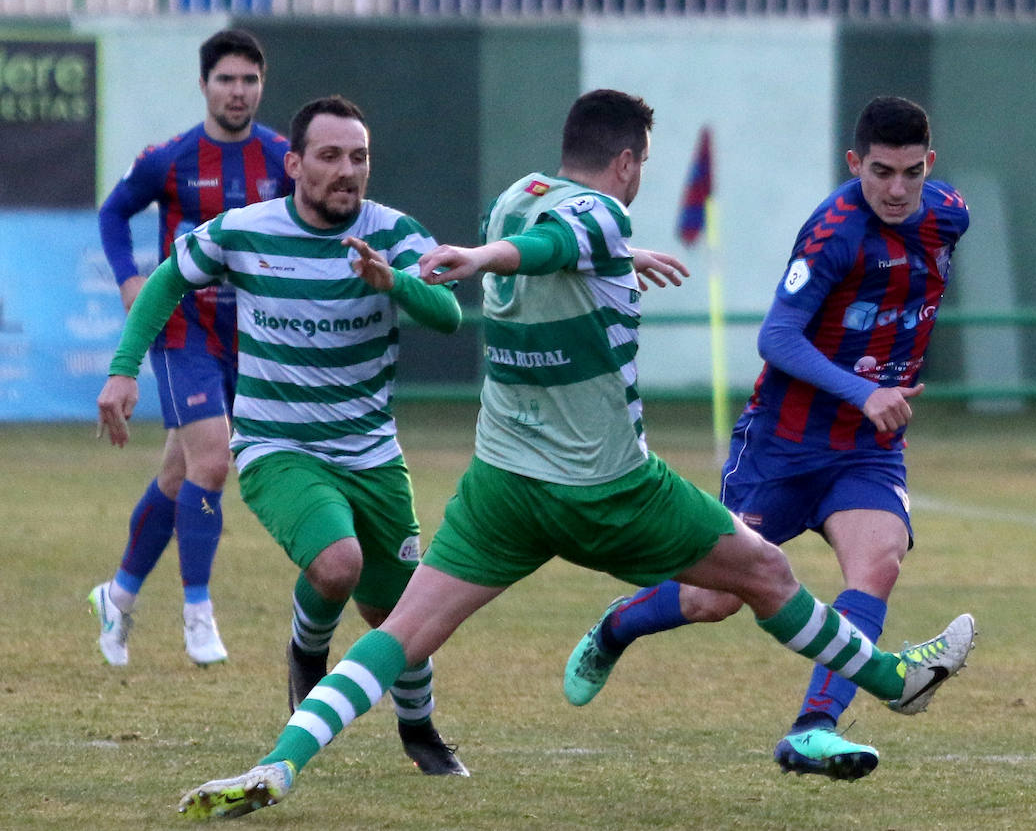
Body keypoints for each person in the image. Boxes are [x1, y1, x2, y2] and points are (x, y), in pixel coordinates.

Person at [169, 88, 975, 821]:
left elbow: (557, 240)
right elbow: (562, 243)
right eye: (640, 169)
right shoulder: (597, 218)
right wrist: (490, 263)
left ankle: (279, 763)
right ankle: (895, 683)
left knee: (401, 633)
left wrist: (597, 257)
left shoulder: (512, 199)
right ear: (625, 162)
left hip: (502, 490)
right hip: (611, 489)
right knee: (766, 575)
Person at [561, 96, 972, 781]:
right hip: (781, 445)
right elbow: (776, 337)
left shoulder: (950, 214)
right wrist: (866, 388)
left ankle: (812, 728)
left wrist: (885, 375)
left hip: (865, 447)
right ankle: (616, 626)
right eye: (880, 172)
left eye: (910, 173)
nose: (896, 189)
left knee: (877, 564)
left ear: (929, 164)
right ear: (854, 164)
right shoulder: (833, 232)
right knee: (715, 597)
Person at [97, 95, 468, 777]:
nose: (346, 170)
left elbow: (448, 312)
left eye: (358, 157)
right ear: (295, 163)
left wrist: (394, 284)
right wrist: (124, 371)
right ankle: (306, 650)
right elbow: (166, 284)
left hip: (372, 452)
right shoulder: (244, 230)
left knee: (400, 610)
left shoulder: (395, 233)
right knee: (337, 562)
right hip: (278, 445)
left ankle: (419, 728)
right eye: (329, 156)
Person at [90, 28, 291, 667]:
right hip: (183, 330)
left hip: (249, 334)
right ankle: (198, 614)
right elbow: (113, 213)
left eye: (249, 80)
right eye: (226, 79)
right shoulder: (170, 158)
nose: (238, 91)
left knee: (178, 477)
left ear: (262, 85)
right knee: (212, 464)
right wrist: (130, 281)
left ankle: (116, 597)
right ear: (204, 85)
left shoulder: (283, 159)